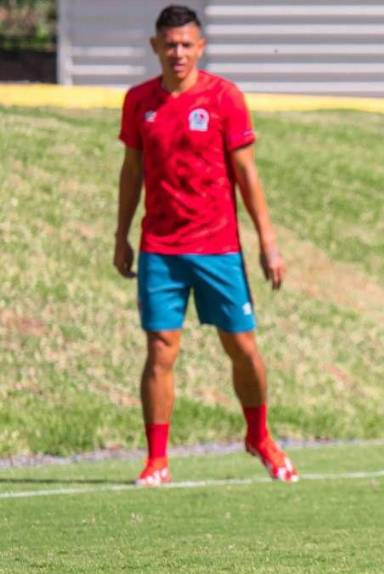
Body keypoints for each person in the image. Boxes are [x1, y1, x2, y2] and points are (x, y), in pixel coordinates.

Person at [114, 5, 298, 486]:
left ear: (201, 47)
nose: (178, 52)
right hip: (160, 248)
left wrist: (268, 243)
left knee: (242, 349)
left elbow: (247, 174)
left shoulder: (225, 98)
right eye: (169, 44)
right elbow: (131, 172)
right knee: (160, 350)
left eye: (186, 44)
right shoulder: (138, 102)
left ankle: (259, 436)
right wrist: (121, 235)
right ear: (155, 46)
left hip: (218, 250)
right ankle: (157, 460)